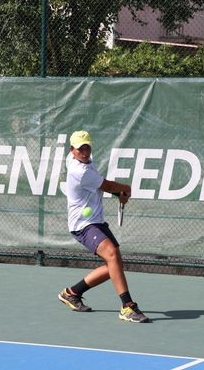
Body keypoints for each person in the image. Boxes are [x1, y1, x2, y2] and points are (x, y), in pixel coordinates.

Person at [57, 130, 149, 323]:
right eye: (80, 148)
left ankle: (72, 293)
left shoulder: (83, 160)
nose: (84, 151)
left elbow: (101, 186)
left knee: (114, 265)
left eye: (87, 147)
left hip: (95, 220)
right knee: (112, 254)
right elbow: (106, 185)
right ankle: (127, 306)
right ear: (72, 150)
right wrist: (125, 189)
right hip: (82, 224)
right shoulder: (79, 171)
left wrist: (118, 194)